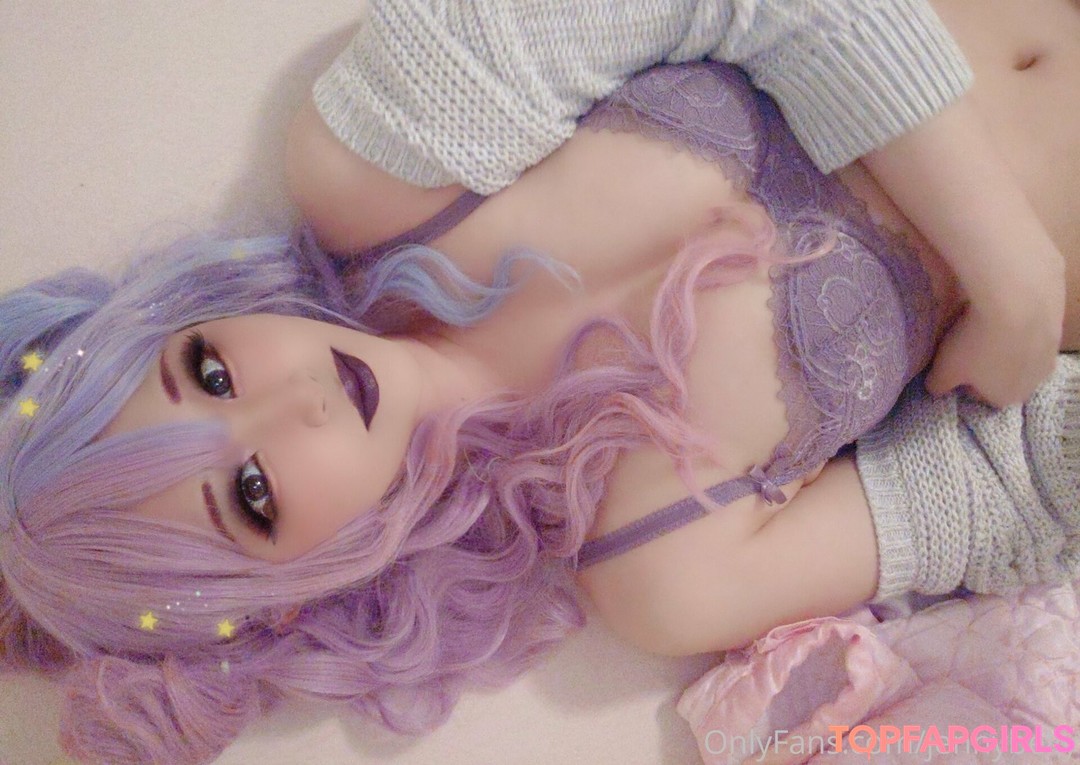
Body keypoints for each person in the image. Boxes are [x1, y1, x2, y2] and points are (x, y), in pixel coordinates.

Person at [1, 3, 1078, 765]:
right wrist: (1029, 316)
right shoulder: (662, 566)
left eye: (208, 369)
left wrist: (1012, 277)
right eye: (252, 492)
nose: (295, 400)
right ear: (287, 601)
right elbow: (1017, 481)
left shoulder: (373, 165)